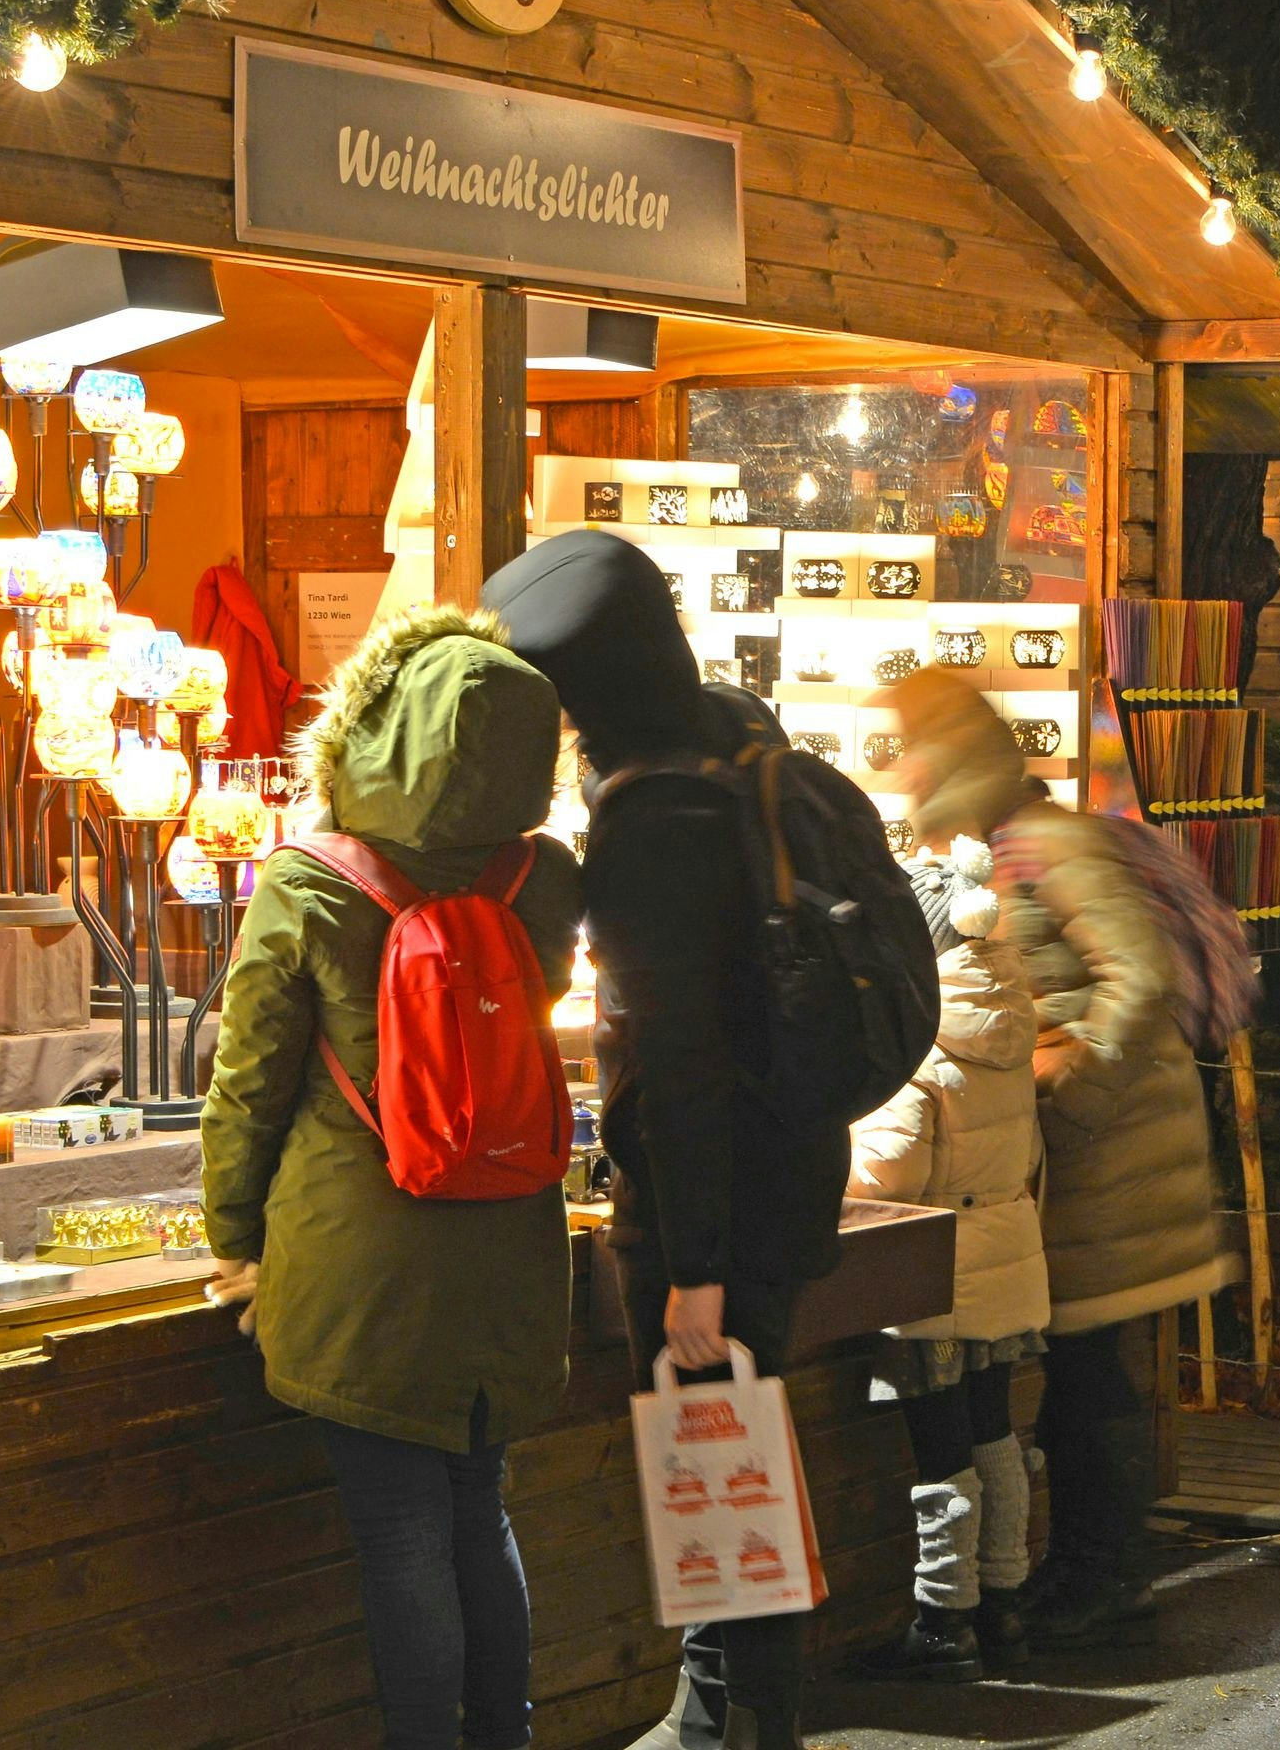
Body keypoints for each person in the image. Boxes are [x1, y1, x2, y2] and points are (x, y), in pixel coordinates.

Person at [485, 531, 845, 1750]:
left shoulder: (652, 827)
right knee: (728, 1458)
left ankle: (744, 1728)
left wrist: (691, 1266)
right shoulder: (741, 739)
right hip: (792, 1163)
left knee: (719, 1460)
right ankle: (715, 1710)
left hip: (714, 1203)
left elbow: (679, 1063)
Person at [199, 605, 582, 1750]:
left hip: (357, 1263)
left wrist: (232, 1242)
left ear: (367, 727)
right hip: (509, 1247)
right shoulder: (543, 881)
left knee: (399, 1531)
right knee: (479, 1509)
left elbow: (248, 1087)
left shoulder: (309, 884)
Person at [888, 669, 1236, 1646]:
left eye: (913, 745)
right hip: (1083, 1157)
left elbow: (1138, 975)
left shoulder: (1046, 845)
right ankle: (1083, 1569)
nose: (902, 766)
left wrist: (1066, 1101)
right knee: (1082, 1370)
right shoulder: (990, 852)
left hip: (1108, 1157)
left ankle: (1101, 1573)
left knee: (1086, 1375)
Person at [846, 842, 1050, 1682]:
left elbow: (882, 1175)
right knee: (995, 1429)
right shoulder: (1009, 1019)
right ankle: (1006, 1598)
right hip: (1005, 1257)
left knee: (941, 1452)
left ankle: (944, 1620)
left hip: (933, 1272)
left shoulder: (918, 1047)